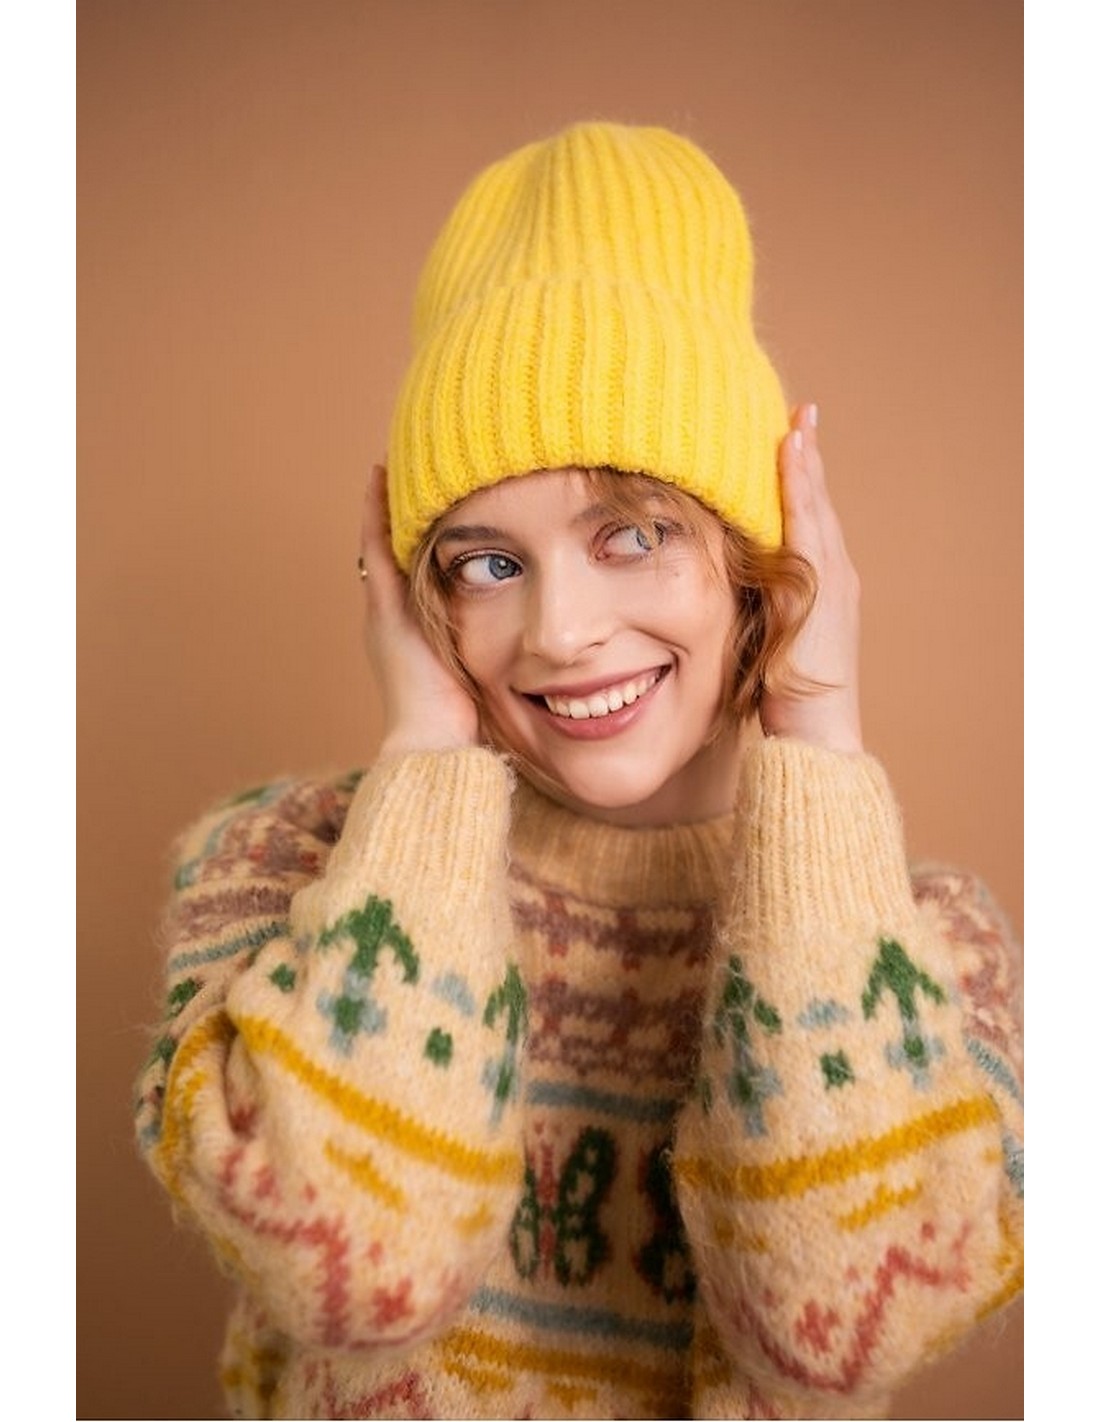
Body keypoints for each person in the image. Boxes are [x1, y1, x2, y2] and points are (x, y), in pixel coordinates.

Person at [134, 121, 1023, 1420]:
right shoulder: (277, 869)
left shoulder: (929, 954)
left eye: (634, 534)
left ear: (760, 556)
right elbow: (357, 1278)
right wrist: (427, 760)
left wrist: (820, 738)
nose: (558, 632)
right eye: (488, 562)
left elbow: (831, 1334)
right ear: (414, 593)